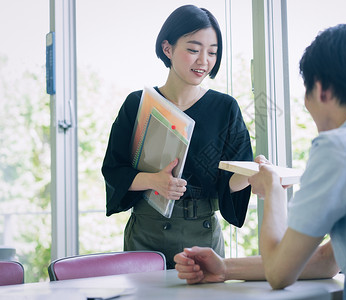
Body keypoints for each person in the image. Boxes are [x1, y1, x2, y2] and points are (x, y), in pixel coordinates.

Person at [175, 23, 346, 299]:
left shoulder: (339, 146)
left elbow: (280, 273)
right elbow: (327, 260)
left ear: (321, 91)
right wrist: (224, 268)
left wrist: (273, 190)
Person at [102, 5, 253, 269]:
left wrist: (254, 173)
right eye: (193, 49)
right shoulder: (138, 104)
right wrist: (154, 181)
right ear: (167, 48)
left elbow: (230, 181)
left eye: (212, 52)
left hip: (202, 237)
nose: (203, 60)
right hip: (145, 236)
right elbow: (113, 170)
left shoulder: (225, 108)